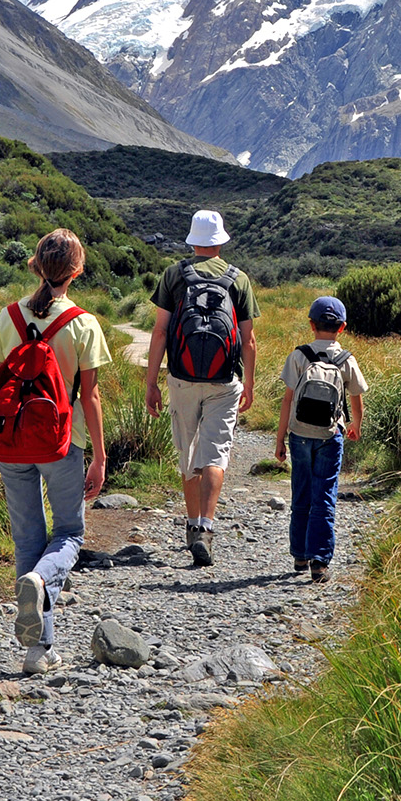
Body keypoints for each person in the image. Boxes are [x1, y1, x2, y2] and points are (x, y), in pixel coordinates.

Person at [0, 228, 110, 673]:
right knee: (68, 533)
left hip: (9, 444)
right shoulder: (84, 323)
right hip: (62, 446)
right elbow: (90, 399)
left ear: (34, 265)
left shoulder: (7, 317)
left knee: (28, 538)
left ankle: (39, 650)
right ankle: (40, 589)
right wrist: (101, 456)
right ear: (77, 271)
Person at [144, 208, 258, 567]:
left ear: (193, 240)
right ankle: (207, 528)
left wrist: (151, 382)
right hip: (225, 382)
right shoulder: (238, 280)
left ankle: (191, 525)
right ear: (221, 242)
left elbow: (161, 331)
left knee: (187, 451)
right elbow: (248, 340)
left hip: (181, 378)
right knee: (215, 452)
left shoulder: (174, 275)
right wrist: (250, 384)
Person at [274, 296, 366, 583]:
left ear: (311, 324)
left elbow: (287, 401)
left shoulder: (299, 356)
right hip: (330, 435)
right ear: (343, 327)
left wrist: (280, 440)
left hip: (299, 435)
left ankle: (299, 555)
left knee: (300, 493)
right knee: (324, 496)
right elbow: (356, 399)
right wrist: (355, 425)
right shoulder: (346, 359)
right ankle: (320, 562)